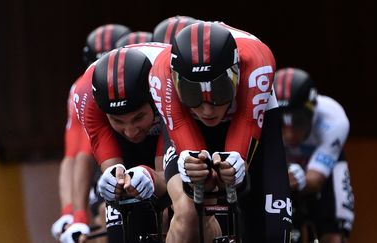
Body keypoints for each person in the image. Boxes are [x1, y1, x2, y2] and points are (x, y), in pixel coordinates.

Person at [149, 21, 291, 243]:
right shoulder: (161, 73)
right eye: (192, 94)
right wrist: (196, 170)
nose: (207, 110)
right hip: (187, 123)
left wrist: (236, 165)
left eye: (220, 92)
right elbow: (179, 126)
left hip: (247, 113)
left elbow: (246, 120)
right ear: (176, 82)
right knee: (191, 212)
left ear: (236, 74)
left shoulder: (256, 61)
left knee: (272, 233)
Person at [72, 43, 171, 243]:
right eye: (118, 120)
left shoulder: (164, 84)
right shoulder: (85, 96)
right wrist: (77, 215)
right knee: (119, 210)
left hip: (167, 127)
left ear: (153, 102)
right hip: (124, 146)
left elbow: (166, 181)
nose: (130, 130)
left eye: (138, 117)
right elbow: (109, 172)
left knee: (172, 213)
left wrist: (152, 177)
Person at [52, 23, 132, 243]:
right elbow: (75, 156)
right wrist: (72, 214)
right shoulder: (82, 90)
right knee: (103, 218)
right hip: (104, 159)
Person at [274, 67, 355, 243]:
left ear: (312, 112)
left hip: (323, 171)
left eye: (298, 121)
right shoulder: (261, 116)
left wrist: (297, 178)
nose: (289, 134)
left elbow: (316, 181)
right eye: (281, 122)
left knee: (334, 236)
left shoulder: (334, 119)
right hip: (283, 171)